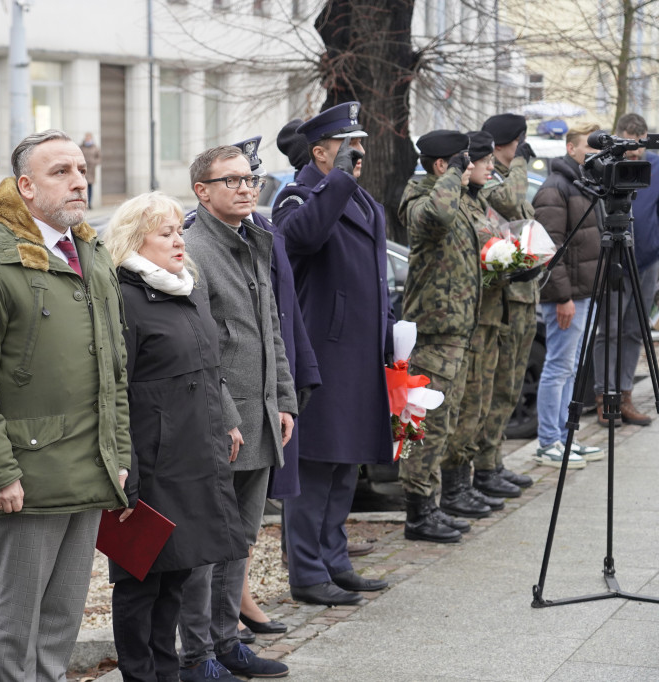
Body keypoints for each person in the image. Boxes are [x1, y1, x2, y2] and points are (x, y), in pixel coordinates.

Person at [0, 130, 131, 682]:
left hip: (88, 466)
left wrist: (116, 452)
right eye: (60, 171)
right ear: (25, 186)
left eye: (81, 168)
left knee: (62, 618)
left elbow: (112, 368)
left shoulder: (88, 250)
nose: (78, 180)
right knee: (17, 623)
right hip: (28, 474)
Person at [105, 192, 248, 682]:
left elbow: (209, 367)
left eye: (179, 231)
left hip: (193, 454)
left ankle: (167, 673)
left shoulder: (180, 287)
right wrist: (125, 468)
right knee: (140, 580)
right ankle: (140, 675)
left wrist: (224, 419)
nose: (178, 241)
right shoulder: (123, 295)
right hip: (151, 459)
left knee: (177, 575)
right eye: (164, 233)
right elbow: (114, 388)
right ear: (134, 239)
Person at [186, 136, 320, 642]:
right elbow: (201, 349)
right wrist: (226, 415)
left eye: (250, 179)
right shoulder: (196, 249)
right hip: (228, 422)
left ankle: (227, 640)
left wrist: (284, 401)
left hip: (262, 414)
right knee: (217, 541)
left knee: (242, 536)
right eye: (232, 180)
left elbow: (271, 332)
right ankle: (211, 645)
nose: (246, 188)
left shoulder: (252, 239)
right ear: (202, 191)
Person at [271, 102, 392, 604]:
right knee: (316, 466)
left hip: (360, 354)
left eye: (360, 145)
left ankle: (334, 559)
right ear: (321, 153)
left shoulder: (362, 200)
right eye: (349, 146)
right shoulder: (297, 197)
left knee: (346, 464)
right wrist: (335, 181)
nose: (358, 155)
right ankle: (306, 572)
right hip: (321, 353)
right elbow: (303, 238)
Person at [396, 130, 481, 543]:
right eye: (462, 162)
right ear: (442, 166)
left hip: (455, 331)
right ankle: (416, 512)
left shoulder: (455, 197)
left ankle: (432, 505)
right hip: (431, 334)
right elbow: (436, 218)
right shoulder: (419, 199)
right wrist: (453, 177)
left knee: (442, 425)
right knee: (420, 426)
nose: (468, 170)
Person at [439, 131, 509, 520]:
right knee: (462, 409)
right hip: (467, 319)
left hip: (484, 315)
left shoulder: (477, 200)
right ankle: (454, 488)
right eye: (482, 164)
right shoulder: (452, 201)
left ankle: (464, 482)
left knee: (478, 404)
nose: (484, 170)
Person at [471, 114, 542, 497]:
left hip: (522, 296)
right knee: (497, 389)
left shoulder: (503, 176)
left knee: (511, 388)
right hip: (503, 302)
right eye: (519, 144)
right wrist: (518, 164)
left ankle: (493, 462)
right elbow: (512, 203)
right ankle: (484, 467)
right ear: (509, 144)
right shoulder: (492, 179)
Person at [531, 122, 604, 466]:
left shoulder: (587, 185)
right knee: (558, 367)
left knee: (572, 367)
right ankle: (549, 441)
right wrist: (562, 297)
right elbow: (551, 249)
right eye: (588, 152)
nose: (595, 158)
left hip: (585, 292)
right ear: (571, 149)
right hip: (568, 296)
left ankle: (564, 436)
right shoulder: (555, 188)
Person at [592, 113, 658, 428]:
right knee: (610, 329)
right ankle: (606, 397)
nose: (633, 157)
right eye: (629, 152)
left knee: (635, 330)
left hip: (648, 260)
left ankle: (626, 394)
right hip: (615, 258)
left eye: (637, 152)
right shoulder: (606, 164)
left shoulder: (657, 166)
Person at [81, 132, 102, 209]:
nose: (87, 139)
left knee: (89, 187)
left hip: (91, 170)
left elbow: (99, 159)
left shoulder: (95, 148)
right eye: (86, 137)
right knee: (83, 187)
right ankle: (84, 203)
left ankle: (89, 203)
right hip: (82, 170)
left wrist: (93, 162)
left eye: (89, 138)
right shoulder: (81, 147)